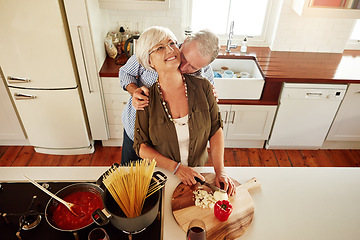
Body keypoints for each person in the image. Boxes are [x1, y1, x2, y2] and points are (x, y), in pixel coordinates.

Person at [133, 26, 235, 196]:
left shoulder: (204, 87)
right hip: (165, 175)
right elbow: (141, 146)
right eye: (159, 47)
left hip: (199, 173)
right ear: (150, 62)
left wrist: (220, 172)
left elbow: (215, 129)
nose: (170, 49)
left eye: (172, 43)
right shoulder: (145, 98)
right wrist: (177, 168)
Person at [119, 28, 219, 165]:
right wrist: (134, 91)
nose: (183, 68)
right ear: (183, 43)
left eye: (193, 67)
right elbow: (125, 73)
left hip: (171, 143)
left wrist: (210, 97)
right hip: (136, 131)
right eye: (184, 58)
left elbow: (209, 108)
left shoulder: (204, 72)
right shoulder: (155, 52)